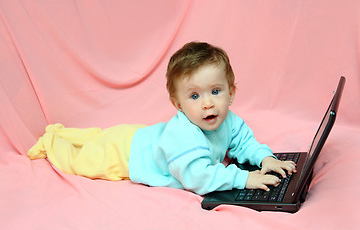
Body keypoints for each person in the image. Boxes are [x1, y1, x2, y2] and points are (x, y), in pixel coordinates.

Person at [28, 41, 296, 195]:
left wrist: (266, 158)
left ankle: (67, 133)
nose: (207, 103)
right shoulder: (184, 134)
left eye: (216, 91)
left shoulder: (228, 121)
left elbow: (244, 142)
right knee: (81, 160)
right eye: (194, 96)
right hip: (127, 154)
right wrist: (244, 179)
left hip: (143, 136)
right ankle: (51, 141)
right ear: (177, 104)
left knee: (98, 136)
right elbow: (197, 177)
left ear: (231, 93)